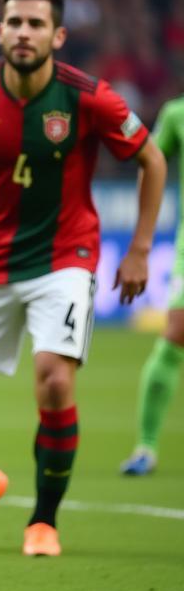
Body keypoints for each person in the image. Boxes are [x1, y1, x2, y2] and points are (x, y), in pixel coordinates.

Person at [0, 0, 166, 558]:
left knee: (54, 379)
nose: (24, 32)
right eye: (15, 22)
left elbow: (152, 160)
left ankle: (43, 522)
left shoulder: (89, 96)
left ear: (57, 34)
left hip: (65, 256)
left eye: (36, 24)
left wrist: (138, 249)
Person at [121, 94, 184, 476]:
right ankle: (146, 445)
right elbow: (151, 160)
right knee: (177, 331)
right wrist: (143, 237)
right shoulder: (177, 113)